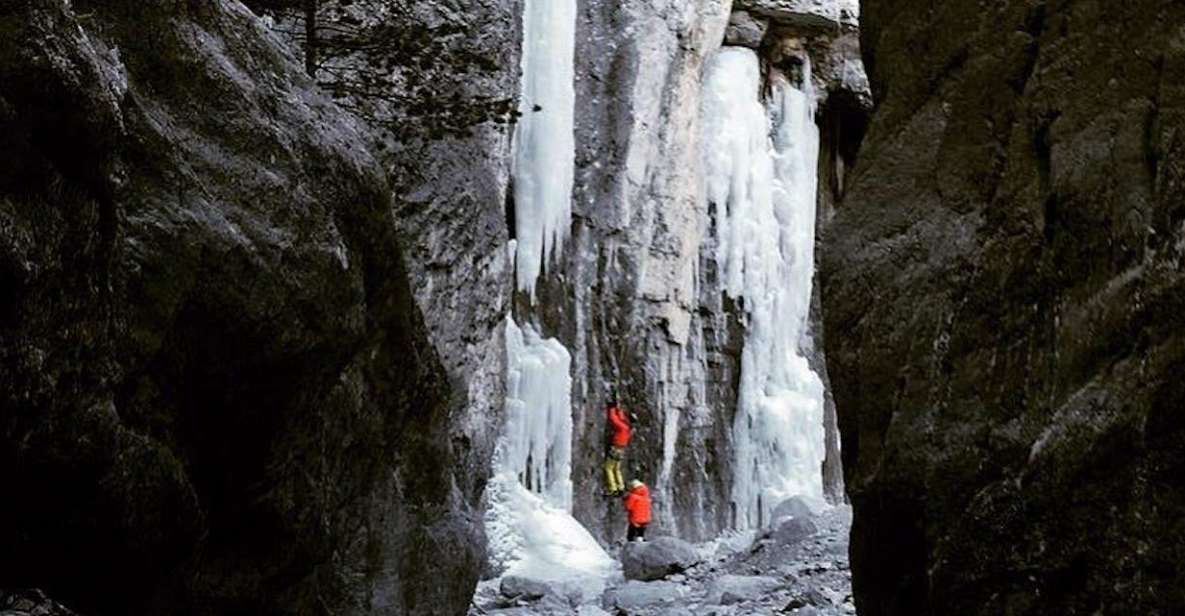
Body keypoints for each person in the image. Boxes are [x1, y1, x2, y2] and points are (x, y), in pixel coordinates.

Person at [603, 401, 631, 496]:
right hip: (621, 449)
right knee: (617, 469)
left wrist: (611, 408)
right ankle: (621, 487)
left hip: (615, 448)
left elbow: (614, 419)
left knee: (608, 468)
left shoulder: (623, 427)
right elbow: (621, 419)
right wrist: (618, 409)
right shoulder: (628, 428)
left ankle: (613, 488)